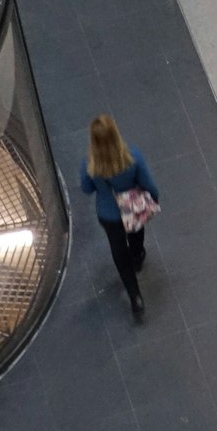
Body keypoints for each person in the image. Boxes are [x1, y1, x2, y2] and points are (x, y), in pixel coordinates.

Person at [80, 114, 159, 321]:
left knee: (118, 251)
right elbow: (149, 185)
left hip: (108, 215)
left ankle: (135, 298)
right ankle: (138, 257)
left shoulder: (89, 164)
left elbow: (86, 189)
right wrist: (153, 199)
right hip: (132, 209)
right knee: (136, 232)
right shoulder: (132, 157)